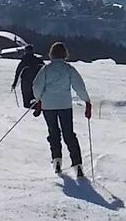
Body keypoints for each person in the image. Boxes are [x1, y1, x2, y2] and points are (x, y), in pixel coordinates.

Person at [31, 41, 92, 177]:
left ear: (51, 54)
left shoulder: (46, 69)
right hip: (65, 105)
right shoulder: (69, 69)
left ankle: (57, 160)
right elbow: (79, 86)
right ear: (65, 54)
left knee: (53, 133)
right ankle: (77, 165)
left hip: (48, 106)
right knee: (69, 134)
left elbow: (36, 86)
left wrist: (38, 99)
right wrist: (87, 101)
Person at [12, 44, 45, 112]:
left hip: (26, 85)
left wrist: (14, 84)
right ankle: (38, 106)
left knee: (27, 104)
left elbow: (18, 74)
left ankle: (36, 107)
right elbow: (45, 70)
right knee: (36, 98)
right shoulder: (38, 61)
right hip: (37, 83)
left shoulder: (23, 62)